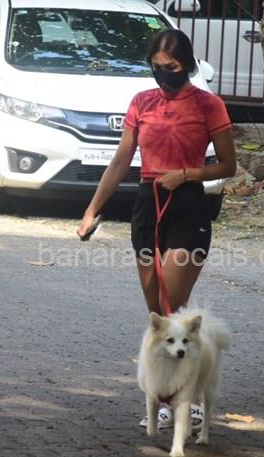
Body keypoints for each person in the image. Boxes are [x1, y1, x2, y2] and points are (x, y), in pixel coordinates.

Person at [76, 29, 236, 427]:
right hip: (148, 205)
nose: (164, 74)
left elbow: (228, 165)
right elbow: (120, 161)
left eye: (172, 67)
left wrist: (187, 174)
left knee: (174, 309)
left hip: (188, 207)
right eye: (157, 67)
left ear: (188, 64)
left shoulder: (209, 104)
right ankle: (167, 396)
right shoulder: (141, 102)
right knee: (159, 316)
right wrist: (92, 210)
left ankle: (188, 399)